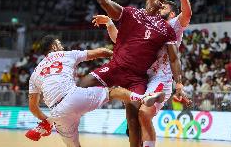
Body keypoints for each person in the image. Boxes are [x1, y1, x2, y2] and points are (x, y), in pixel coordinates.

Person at [79, 0, 185, 147]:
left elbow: (175, 58)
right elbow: (103, 0)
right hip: (115, 67)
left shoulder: (166, 28)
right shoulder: (130, 13)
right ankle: (61, 117)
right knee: (82, 85)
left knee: (133, 118)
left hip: (137, 78)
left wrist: (179, 84)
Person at [25, 35, 167, 147]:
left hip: (57, 113)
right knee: (113, 91)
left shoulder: (34, 74)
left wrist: (45, 120)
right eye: (59, 43)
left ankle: (48, 122)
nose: (61, 46)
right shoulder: (66, 54)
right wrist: (117, 56)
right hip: (74, 97)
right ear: (55, 46)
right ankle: (142, 98)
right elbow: (100, 52)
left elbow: (33, 107)